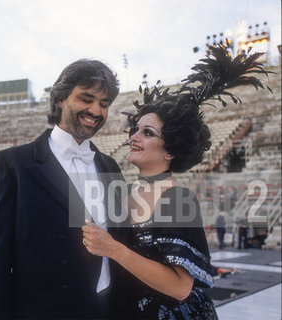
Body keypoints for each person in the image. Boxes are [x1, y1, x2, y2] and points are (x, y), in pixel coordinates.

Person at [82, 44, 271, 319]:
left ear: (171, 149)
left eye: (147, 133)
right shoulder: (123, 191)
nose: (134, 137)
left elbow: (181, 287)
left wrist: (114, 249)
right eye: (136, 129)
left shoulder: (177, 199)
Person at [0, 59, 124, 319]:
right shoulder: (12, 164)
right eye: (86, 99)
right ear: (59, 99)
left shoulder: (110, 165)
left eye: (104, 104)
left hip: (105, 311)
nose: (96, 111)